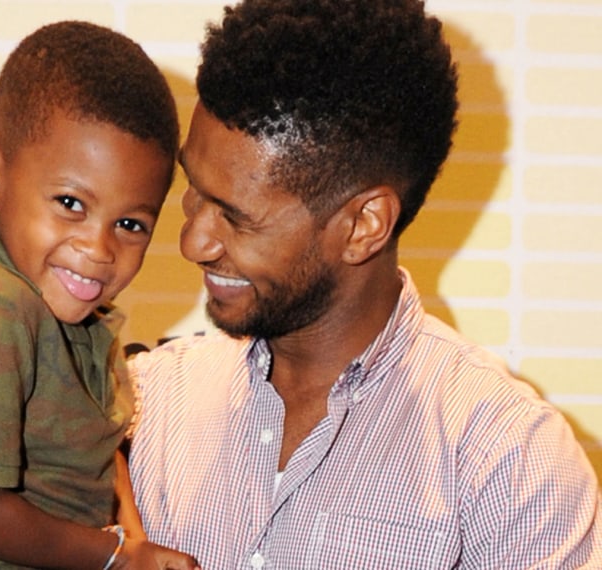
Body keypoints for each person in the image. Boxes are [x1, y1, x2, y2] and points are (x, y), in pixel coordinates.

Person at [127, 0, 602, 568]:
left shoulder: (509, 461)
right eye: (194, 191)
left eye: (236, 215)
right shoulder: (143, 401)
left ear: (363, 225)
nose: (193, 242)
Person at [0, 20, 199, 570]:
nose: (98, 248)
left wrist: (134, 537)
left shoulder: (56, 312)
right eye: (70, 203)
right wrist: (118, 556)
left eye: (130, 223)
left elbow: (91, 451)